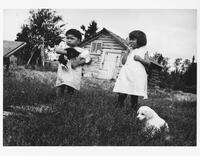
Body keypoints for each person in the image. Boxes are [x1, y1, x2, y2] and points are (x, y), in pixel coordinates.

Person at [113, 30, 150, 110]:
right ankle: (119, 107)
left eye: (133, 39)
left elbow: (148, 63)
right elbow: (123, 62)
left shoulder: (144, 50)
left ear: (140, 40)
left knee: (134, 93)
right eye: (130, 39)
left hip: (136, 76)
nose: (131, 41)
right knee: (123, 90)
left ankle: (133, 108)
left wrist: (140, 59)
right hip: (126, 74)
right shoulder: (129, 49)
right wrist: (127, 52)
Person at [55, 29, 91, 97]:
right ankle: (59, 98)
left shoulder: (81, 50)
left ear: (78, 41)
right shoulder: (63, 46)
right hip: (63, 70)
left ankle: (69, 98)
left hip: (73, 71)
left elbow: (86, 60)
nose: (69, 40)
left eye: (72, 38)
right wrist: (69, 52)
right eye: (67, 38)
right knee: (60, 83)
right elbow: (57, 50)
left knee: (71, 84)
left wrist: (78, 63)